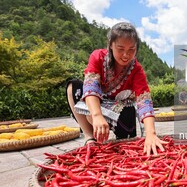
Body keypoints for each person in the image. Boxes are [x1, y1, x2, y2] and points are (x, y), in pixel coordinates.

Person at [66, 22, 166, 155]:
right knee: (74, 87)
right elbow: (91, 86)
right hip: (98, 105)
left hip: (122, 109)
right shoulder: (98, 57)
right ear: (111, 45)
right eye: (120, 49)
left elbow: (144, 100)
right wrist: (97, 116)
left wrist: (151, 133)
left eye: (131, 50)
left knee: (127, 142)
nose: (126, 55)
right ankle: (90, 137)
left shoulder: (136, 69)